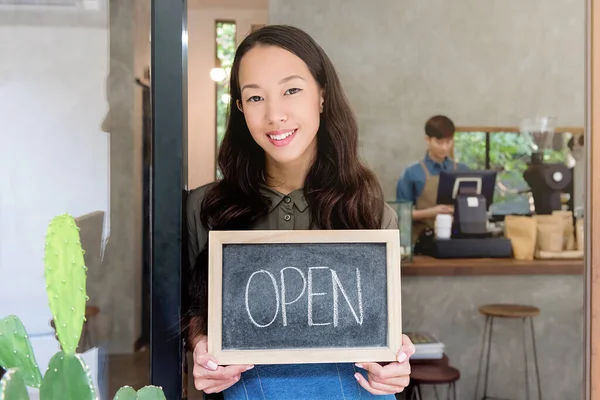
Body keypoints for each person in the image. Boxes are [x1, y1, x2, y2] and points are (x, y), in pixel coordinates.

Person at [185, 25, 415, 399]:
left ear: (322, 95)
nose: (275, 115)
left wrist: (394, 365)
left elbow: (383, 335)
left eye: (291, 90)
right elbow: (193, 313)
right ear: (241, 108)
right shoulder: (203, 209)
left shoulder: (371, 214)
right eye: (255, 97)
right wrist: (199, 348)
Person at [395, 115, 469, 242]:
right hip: (422, 243)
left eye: (448, 142)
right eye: (439, 142)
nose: (445, 147)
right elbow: (402, 214)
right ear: (427, 140)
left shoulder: (463, 170)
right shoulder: (412, 172)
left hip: (459, 242)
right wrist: (432, 212)